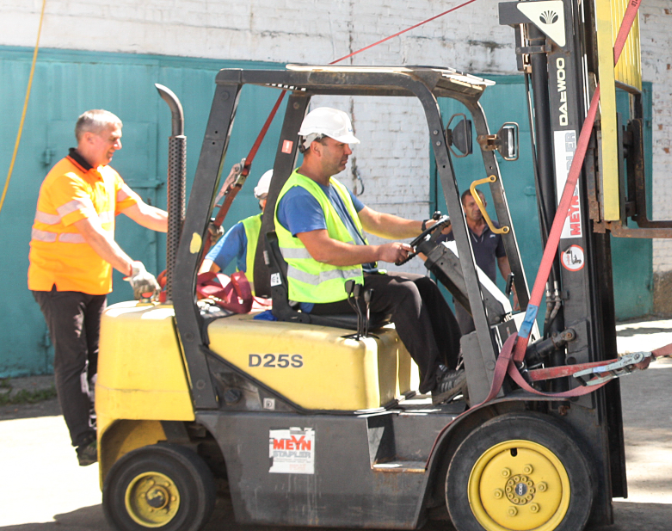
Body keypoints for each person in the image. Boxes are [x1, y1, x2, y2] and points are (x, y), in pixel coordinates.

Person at [273, 106, 463, 398]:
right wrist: (380, 252)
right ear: (316, 147)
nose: (348, 151)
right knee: (403, 293)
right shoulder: (300, 195)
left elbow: (374, 220)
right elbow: (322, 251)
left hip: (347, 284)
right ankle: (435, 380)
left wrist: (424, 225)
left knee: (424, 285)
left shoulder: (332, 187)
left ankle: (459, 368)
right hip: (321, 296)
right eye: (340, 145)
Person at [28, 109, 168, 467]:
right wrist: (133, 269)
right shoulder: (65, 179)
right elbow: (91, 232)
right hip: (60, 284)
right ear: (89, 139)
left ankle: (101, 428)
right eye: (113, 138)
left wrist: (191, 225)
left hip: (93, 282)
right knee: (73, 360)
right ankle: (85, 441)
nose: (118, 145)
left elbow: (142, 211)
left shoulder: (105, 175)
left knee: (99, 358)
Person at [450, 183, 516, 336]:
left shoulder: (495, 228)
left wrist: (515, 290)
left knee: (493, 336)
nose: (476, 208)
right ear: (463, 208)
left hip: (489, 295)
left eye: (479, 203)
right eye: (471, 204)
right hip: (463, 295)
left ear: (485, 204)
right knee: (468, 338)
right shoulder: (455, 231)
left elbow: (503, 261)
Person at [204, 169, 272, 285]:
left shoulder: (303, 228)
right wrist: (200, 285)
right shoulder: (245, 229)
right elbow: (211, 264)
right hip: (254, 302)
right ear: (264, 203)